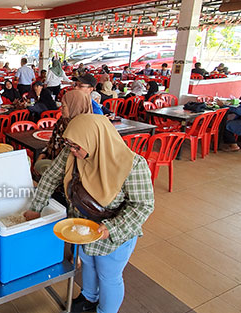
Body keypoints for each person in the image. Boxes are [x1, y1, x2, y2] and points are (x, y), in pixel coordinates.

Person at [24, 114, 154, 313]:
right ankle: (88, 297)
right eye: (70, 145)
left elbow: (143, 206)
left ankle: (105, 310)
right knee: (88, 264)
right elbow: (50, 177)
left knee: (108, 274)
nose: (73, 151)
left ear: (96, 140)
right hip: (83, 226)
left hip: (113, 234)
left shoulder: (132, 165)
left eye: (77, 147)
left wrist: (110, 228)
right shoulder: (71, 152)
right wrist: (36, 208)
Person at [34, 90, 92, 177]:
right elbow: (53, 140)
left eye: (64, 106)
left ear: (74, 107)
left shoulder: (85, 129)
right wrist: (43, 154)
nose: (61, 108)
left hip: (71, 173)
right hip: (52, 164)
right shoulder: (62, 121)